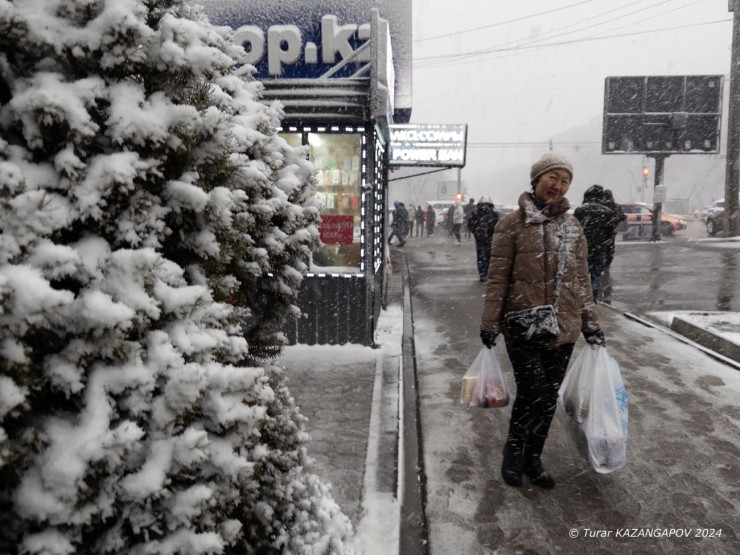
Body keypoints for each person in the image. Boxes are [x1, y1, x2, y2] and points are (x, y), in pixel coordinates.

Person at [479, 152, 605, 489]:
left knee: (548, 398)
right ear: (536, 179)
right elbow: (498, 279)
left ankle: (533, 459)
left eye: (565, 181)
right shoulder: (511, 224)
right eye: (554, 178)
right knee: (533, 391)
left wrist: (591, 324)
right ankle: (513, 453)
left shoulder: (573, 226)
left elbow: (582, 280)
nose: (559, 186)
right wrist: (490, 323)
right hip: (523, 324)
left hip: (564, 327)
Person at [574, 184, 618, 301]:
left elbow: (574, 229)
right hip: (600, 247)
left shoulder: (581, 210)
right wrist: (608, 249)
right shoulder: (607, 212)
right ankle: (594, 297)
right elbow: (610, 232)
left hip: (584, 246)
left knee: (581, 273)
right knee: (596, 274)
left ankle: (581, 296)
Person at [599, 189, 625, 303]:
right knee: (610, 250)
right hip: (612, 233)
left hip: (601, 233)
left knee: (600, 250)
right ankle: (607, 267)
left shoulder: (600, 205)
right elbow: (623, 217)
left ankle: (600, 266)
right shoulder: (616, 206)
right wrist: (615, 222)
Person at [468, 196, 499, 281]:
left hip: (490, 239)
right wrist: (476, 232)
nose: (485, 206)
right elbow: (470, 224)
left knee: (489, 257)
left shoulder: (494, 214)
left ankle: (488, 273)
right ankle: (482, 274)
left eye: (487, 204)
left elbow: (498, 225)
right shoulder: (476, 214)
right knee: (481, 257)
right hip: (480, 240)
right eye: (483, 204)